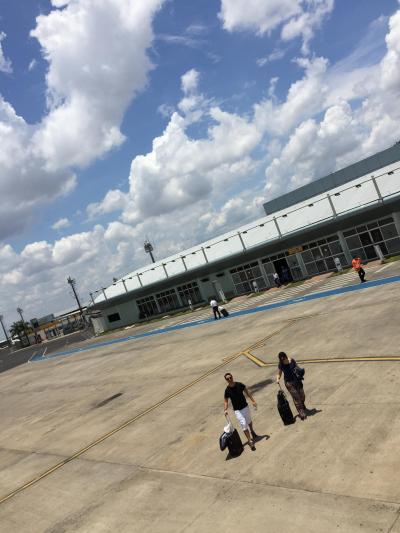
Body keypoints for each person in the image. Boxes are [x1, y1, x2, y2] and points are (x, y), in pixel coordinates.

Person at [224, 373, 258, 450]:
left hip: (245, 407)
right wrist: (225, 409)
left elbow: (247, 392)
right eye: (228, 379)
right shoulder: (227, 390)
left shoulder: (239, 385)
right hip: (237, 411)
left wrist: (253, 401)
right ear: (226, 380)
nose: (229, 379)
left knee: (249, 421)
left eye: (230, 377)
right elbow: (226, 401)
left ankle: (252, 431)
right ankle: (250, 441)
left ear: (232, 377)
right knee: (243, 424)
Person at [276, 352, 307, 420]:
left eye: (284, 358)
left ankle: (302, 404)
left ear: (286, 357)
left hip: (297, 381)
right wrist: (278, 379)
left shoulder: (292, 360)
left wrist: (300, 372)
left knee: (302, 395)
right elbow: (279, 373)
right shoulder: (281, 364)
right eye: (282, 359)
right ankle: (301, 413)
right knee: (296, 398)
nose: (283, 360)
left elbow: (297, 367)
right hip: (289, 383)